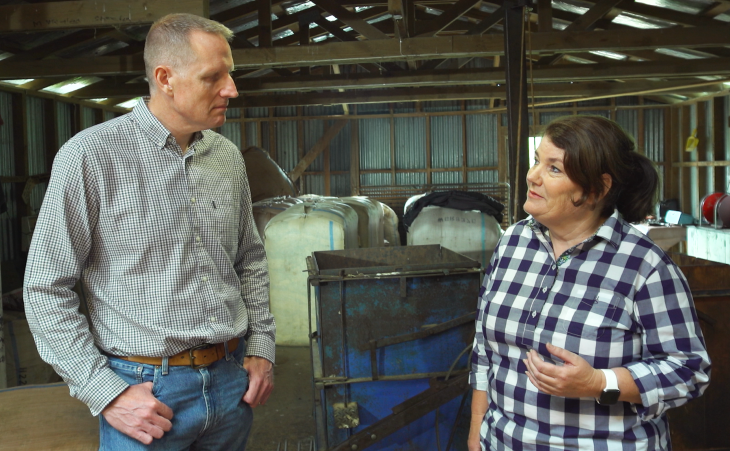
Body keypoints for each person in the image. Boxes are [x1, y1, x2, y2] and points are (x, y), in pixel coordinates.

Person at [23, 13, 275, 450]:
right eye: (213, 77)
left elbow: (248, 259)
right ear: (165, 78)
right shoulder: (91, 157)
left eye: (229, 74)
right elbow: (45, 287)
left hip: (230, 386)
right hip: (146, 396)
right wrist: (105, 393)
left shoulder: (227, 158)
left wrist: (262, 346)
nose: (231, 89)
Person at [468, 115, 710, 450]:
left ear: (597, 188)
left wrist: (599, 382)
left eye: (554, 169)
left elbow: (689, 369)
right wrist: (476, 434)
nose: (532, 176)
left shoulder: (644, 265)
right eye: (538, 160)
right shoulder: (512, 242)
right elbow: (485, 351)